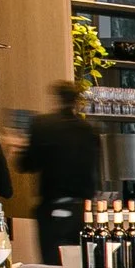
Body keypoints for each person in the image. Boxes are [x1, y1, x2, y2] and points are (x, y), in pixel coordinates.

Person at [21, 81, 103, 257]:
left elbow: (27, 164)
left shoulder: (43, 125)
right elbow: (96, 170)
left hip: (53, 206)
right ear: (76, 101)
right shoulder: (88, 130)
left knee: (53, 266)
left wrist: (17, 147)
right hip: (83, 210)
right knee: (81, 264)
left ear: (57, 99)